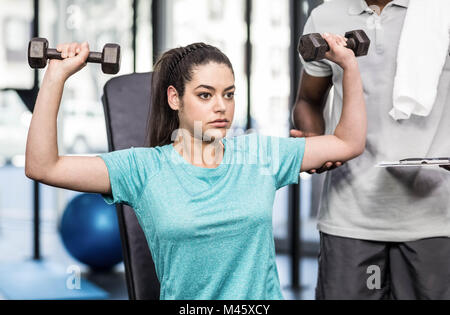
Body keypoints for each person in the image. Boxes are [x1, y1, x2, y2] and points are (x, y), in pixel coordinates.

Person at [25, 35, 365, 300]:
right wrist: (56, 77)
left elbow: (347, 143)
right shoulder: (142, 169)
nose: (221, 107)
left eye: (229, 95)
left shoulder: (260, 154)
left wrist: (348, 66)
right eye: (205, 95)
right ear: (175, 99)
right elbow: (43, 167)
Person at [291, 0, 450, 299]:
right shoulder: (325, 16)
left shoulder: (441, 11)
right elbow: (308, 101)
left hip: (436, 220)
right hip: (350, 218)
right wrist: (314, 140)